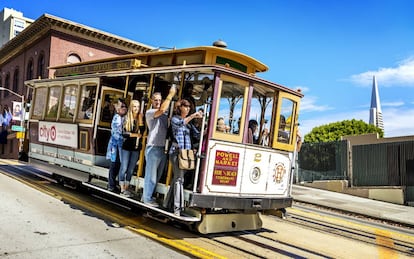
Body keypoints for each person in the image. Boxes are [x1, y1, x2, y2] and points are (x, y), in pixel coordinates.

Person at [163, 99, 203, 216]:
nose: (188, 109)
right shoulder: (175, 119)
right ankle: (178, 208)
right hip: (176, 153)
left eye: (189, 107)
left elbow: (197, 135)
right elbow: (181, 124)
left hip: (186, 154)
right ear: (180, 108)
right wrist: (193, 116)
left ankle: (167, 204)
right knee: (180, 180)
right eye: (186, 107)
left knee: (177, 179)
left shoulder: (189, 124)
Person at [142, 85, 177, 206]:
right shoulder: (150, 112)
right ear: (152, 101)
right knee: (150, 176)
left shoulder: (164, 115)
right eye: (155, 100)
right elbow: (161, 110)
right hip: (152, 147)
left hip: (162, 147)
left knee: (157, 176)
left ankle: (148, 196)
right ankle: (147, 199)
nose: (157, 102)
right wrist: (171, 95)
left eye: (159, 100)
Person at [119, 100, 145, 197]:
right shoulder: (126, 118)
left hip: (136, 147)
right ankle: (122, 188)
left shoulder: (140, 119)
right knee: (124, 167)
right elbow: (123, 133)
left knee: (131, 169)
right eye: (134, 106)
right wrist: (135, 135)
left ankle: (126, 187)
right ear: (131, 107)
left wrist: (141, 120)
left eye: (138, 107)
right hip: (126, 147)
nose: (136, 109)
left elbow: (142, 131)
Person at [106, 99, 128, 193]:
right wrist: (123, 138)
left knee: (119, 164)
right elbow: (115, 132)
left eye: (125, 106)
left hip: (121, 145)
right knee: (114, 164)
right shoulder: (117, 118)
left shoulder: (125, 117)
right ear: (118, 109)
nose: (124, 108)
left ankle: (115, 183)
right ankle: (111, 185)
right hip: (116, 145)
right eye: (122, 107)